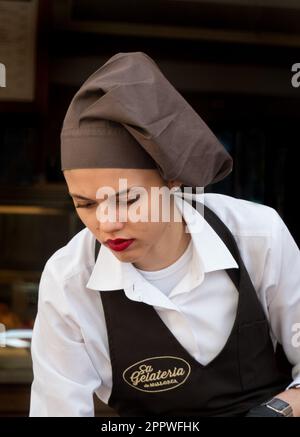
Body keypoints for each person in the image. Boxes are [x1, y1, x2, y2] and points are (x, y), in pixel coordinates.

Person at [29, 52, 300, 417]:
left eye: (126, 199)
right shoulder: (68, 279)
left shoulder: (256, 235)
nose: (106, 223)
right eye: (86, 204)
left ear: (172, 179)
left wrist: (274, 413)